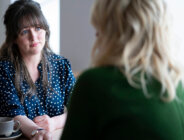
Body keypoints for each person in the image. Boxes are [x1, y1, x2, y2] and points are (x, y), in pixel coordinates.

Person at [61, 0, 184, 140]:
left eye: (99, 24)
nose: (96, 33)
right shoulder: (174, 82)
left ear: (110, 28)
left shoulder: (93, 84)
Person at [0, 0, 75, 139]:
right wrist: (37, 132)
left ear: (45, 29)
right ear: (13, 38)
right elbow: (14, 114)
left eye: (37, 28)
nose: (34, 37)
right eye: (25, 31)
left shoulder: (61, 65)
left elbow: (79, 109)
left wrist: (54, 123)